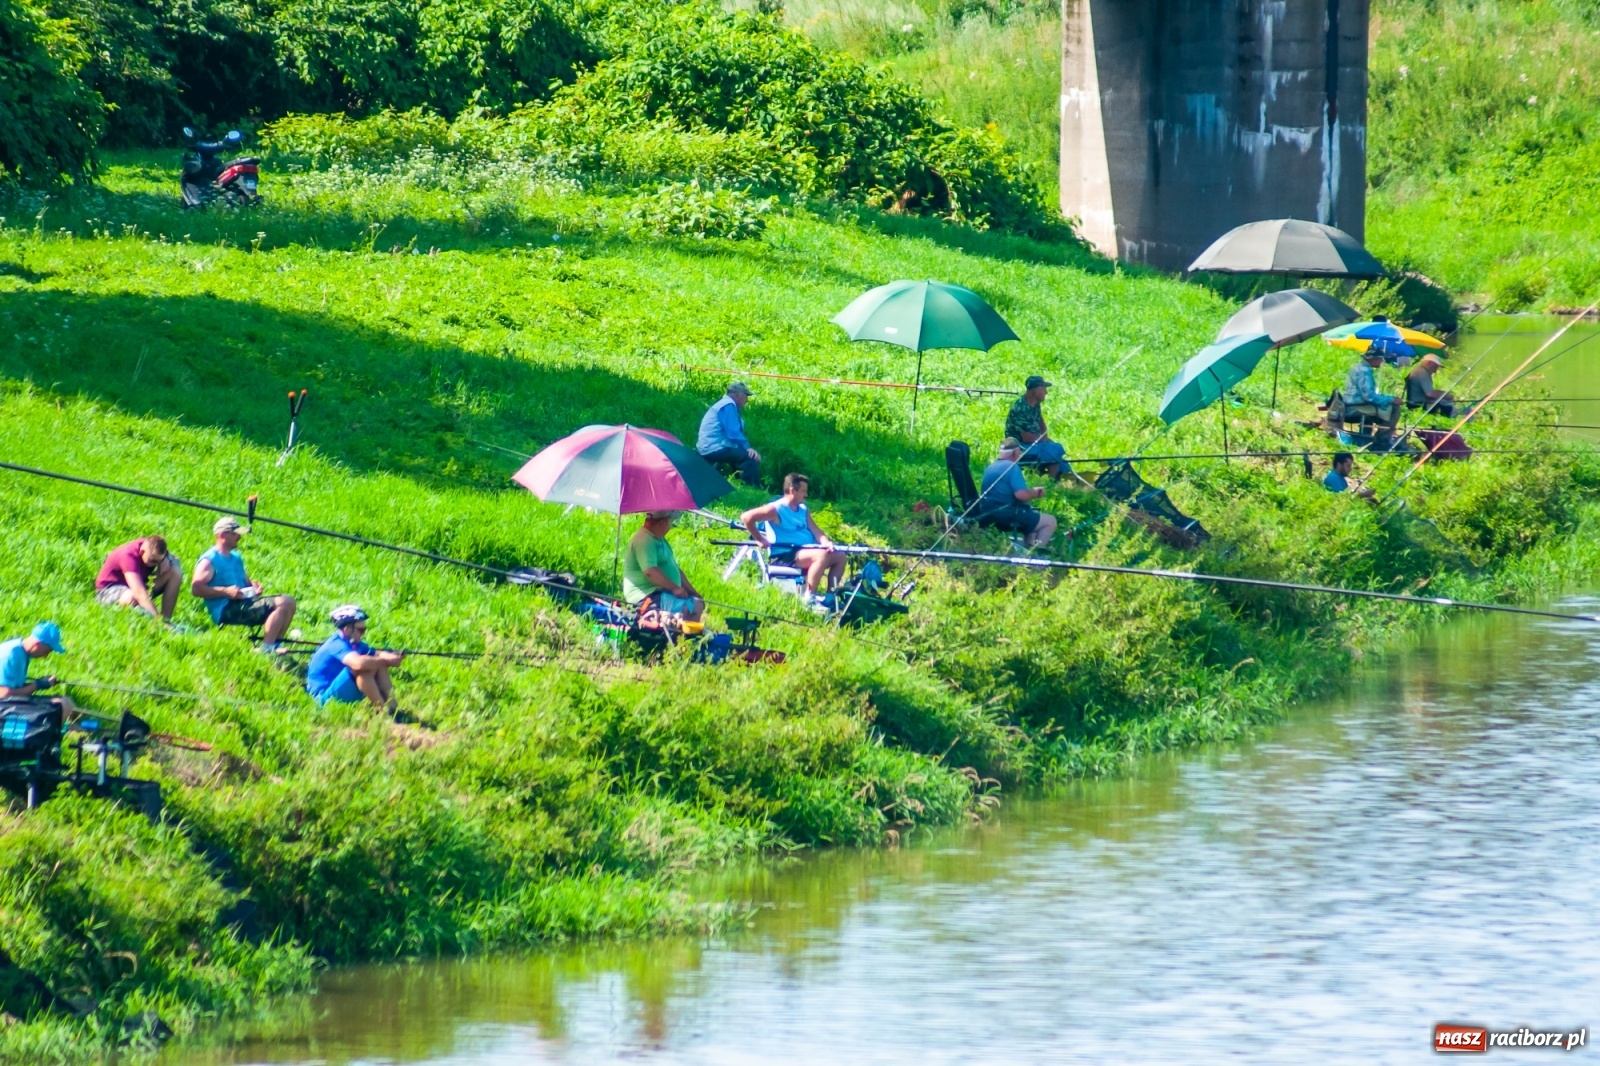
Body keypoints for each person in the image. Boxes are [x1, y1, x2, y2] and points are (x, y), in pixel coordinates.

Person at [741, 473, 845, 612]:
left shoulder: (803, 509)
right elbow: (747, 517)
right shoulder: (775, 509)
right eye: (803, 491)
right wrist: (760, 539)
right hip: (786, 554)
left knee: (840, 556)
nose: (806, 494)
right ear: (792, 491)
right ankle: (809, 599)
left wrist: (826, 542)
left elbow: (816, 530)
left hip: (806, 551)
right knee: (821, 556)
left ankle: (830, 598)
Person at [191, 516, 297, 652]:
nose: (239, 537)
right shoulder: (209, 560)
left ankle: (275, 645)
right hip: (226, 609)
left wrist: (254, 587)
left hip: (243, 603)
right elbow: (196, 588)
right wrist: (225, 591)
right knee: (283, 602)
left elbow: (245, 583)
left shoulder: (236, 557)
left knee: (289, 603)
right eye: (235, 534)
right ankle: (267, 649)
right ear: (223, 535)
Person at [305, 605, 406, 714]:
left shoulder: (354, 642)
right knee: (363, 668)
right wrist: (385, 661)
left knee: (375, 662)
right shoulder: (336, 644)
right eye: (360, 630)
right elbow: (358, 664)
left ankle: (394, 709)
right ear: (348, 629)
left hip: (337, 688)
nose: (363, 634)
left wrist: (391, 656)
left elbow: (376, 653)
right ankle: (383, 712)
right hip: (322, 698)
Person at [622, 510, 704, 621]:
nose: (670, 526)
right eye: (670, 522)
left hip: (662, 592)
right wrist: (674, 588)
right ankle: (681, 636)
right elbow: (650, 571)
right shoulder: (644, 540)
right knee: (686, 609)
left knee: (697, 603)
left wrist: (694, 593)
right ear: (663, 523)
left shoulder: (660, 540)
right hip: (646, 595)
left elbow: (675, 570)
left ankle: (689, 635)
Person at [977, 438, 1057, 548]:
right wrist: (1035, 492)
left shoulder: (991, 467)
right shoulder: (1012, 467)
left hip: (988, 514)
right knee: (1050, 521)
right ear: (1015, 453)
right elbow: (1021, 495)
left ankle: (1027, 548)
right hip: (1007, 514)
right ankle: (1037, 553)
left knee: (1031, 519)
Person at [1004, 375, 1079, 481]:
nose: (1046, 392)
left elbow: (1040, 420)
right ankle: (1053, 482)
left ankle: (1071, 480)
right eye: (1044, 389)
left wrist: (1046, 438)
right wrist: (1044, 440)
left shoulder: (1035, 404)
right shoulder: (1021, 408)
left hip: (1033, 443)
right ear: (1036, 390)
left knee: (1057, 454)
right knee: (1056, 449)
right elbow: (1026, 438)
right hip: (1021, 447)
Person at [94, 535, 183, 622]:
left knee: (175, 571)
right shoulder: (128, 556)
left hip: (137, 584)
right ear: (142, 552)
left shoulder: (152, 547)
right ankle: (160, 624)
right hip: (108, 590)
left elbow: (175, 560)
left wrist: (166, 559)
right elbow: (139, 593)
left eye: (158, 561)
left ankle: (166, 620)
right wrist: (158, 620)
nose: (155, 564)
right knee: (133, 597)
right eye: (153, 561)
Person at [697, 381, 761, 486]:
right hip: (714, 448)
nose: (747, 400)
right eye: (746, 396)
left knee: (739, 455)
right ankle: (752, 488)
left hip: (709, 446)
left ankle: (739, 484)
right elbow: (733, 432)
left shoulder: (724, 404)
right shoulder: (728, 405)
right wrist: (747, 448)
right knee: (749, 458)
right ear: (737, 395)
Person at [0, 621, 71, 701]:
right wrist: (37, 685)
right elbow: (3, 694)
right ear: (37, 644)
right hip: (3, 706)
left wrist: (42, 683)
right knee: (61, 704)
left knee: (64, 703)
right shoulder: (9, 656)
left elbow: (14, 688)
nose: (45, 656)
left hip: (7, 703)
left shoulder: (21, 651)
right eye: (46, 651)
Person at [1342, 351, 1400, 436]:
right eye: (1381, 359)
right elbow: (1369, 396)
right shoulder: (1365, 372)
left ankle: (1367, 436)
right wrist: (1391, 399)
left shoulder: (1358, 367)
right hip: (1356, 407)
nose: (1382, 361)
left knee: (1381, 406)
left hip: (1349, 403)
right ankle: (1383, 438)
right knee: (1394, 408)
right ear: (1373, 359)